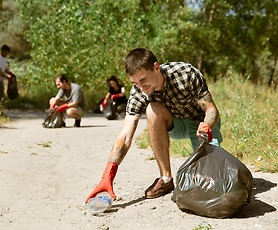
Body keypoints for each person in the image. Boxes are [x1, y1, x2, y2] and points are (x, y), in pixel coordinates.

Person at [86, 47, 223, 203]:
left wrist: (206, 126)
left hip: (203, 127)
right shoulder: (138, 92)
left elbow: (211, 110)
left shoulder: (186, 74)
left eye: (143, 80)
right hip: (175, 125)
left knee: (214, 181)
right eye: (135, 83)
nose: (141, 87)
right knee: (152, 109)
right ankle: (165, 179)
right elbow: (125, 135)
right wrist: (108, 174)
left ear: (156, 67)